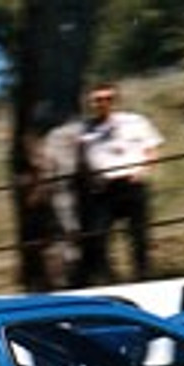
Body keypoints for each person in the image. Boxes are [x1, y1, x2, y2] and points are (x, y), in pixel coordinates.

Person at [74, 82, 163, 287]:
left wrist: (142, 171)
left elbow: (152, 149)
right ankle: (111, 281)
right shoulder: (85, 131)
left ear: (115, 101)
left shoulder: (135, 122)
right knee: (97, 237)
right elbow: (83, 161)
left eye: (107, 99)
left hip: (131, 183)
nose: (103, 104)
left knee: (139, 235)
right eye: (98, 100)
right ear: (91, 103)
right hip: (104, 189)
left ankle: (143, 277)